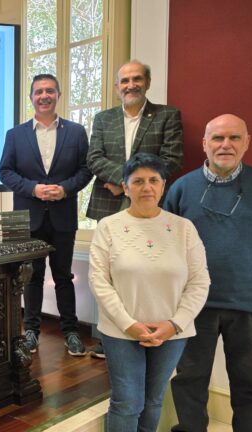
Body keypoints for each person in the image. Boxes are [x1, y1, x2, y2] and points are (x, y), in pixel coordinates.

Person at [165, 114, 252, 432]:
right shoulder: (182, 189)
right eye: (218, 138)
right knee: (190, 380)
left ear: (247, 143)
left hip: (249, 303)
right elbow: (169, 238)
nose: (225, 145)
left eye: (234, 138)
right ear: (205, 144)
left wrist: (246, 255)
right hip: (194, 304)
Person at [89, 152, 210, 432]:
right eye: (138, 180)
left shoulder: (184, 229)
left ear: (163, 185)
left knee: (154, 400)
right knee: (127, 403)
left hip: (172, 332)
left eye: (154, 180)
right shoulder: (109, 227)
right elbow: (99, 281)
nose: (147, 187)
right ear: (126, 186)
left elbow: (200, 281)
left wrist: (174, 324)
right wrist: (129, 324)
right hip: (121, 331)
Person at [86, 60, 184, 358]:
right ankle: (109, 337)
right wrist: (123, 181)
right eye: (124, 80)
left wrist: (134, 185)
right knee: (109, 274)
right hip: (109, 202)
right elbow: (94, 158)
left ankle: (149, 330)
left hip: (152, 206)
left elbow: (172, 158)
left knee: (147, 269)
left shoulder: (167, 115)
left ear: (147, 82)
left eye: (136, 79)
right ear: (117, 87)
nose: (130, 85)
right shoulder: (104, 119)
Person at [0, 74, 92, 356]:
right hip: (29, 217)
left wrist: (64, 189)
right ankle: (31, 332)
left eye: (50, 90)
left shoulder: (76, 132)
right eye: (39, 91)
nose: (44, 96)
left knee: (64, 276)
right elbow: (5, 172)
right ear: (31, 98)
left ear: (58, 95)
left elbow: (86, 170)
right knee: (32, 276)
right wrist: (34, 189)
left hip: (63, 217)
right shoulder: (15, 135)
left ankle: (71, 332)